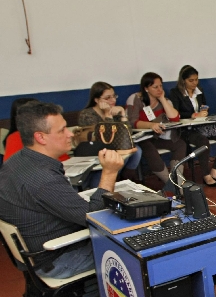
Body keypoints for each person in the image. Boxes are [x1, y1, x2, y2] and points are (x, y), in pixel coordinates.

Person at [0, 101, 124, 280]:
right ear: (41, 137)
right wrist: (110, 173)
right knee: (130, 246)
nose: (70, 134)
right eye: (62, 130)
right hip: (57, 259)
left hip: (33, 252)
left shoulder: (16, 161)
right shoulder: (43, 178)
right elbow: (95, 217)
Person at [169, 66, 216, 187]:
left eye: (196, 79)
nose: (194, 83)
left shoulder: (199, 91)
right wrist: (193, 115)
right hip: (186, 129)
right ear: (183, 80)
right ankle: (206, 175)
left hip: (202, 126)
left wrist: (204, 112)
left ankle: (215, 170)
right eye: (191, 80)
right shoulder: (175, 93)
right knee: (203, 142)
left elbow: (203, 106)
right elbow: (175, 113)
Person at [127, 73, 188, 190]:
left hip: (159, 137)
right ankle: (170, 183)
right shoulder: (135, 99)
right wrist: (151, 125)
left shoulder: (165, 100)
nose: (160, 89)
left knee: (180, 144)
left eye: (161, 86)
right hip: (142, 137)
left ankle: (178, 180)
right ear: (146, 88)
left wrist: (162, 100)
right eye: (155, 87)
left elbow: (175, 118)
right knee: (149, 148)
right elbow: (132, 121)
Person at [78, 82, 143, 181]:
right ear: (96, 100)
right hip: (96, 149)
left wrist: (122, 114)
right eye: (107, 98)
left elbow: (127, 133)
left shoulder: (115, 111)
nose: (113, 100)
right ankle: (113, 178)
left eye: (114, 96)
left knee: (136, 150)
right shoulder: (87, 114)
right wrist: (107, 114)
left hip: (115, 147)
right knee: (121, 154)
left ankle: (125, 178)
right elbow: (106, 138)